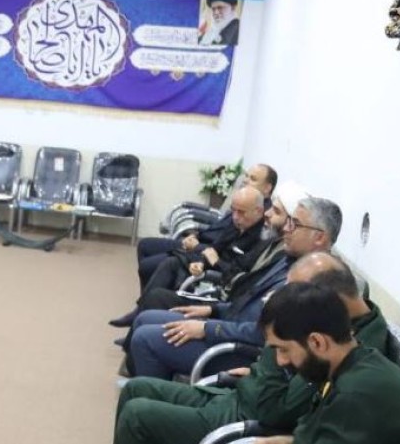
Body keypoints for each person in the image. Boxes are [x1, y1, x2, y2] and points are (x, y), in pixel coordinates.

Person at [101, 252, 391, 444]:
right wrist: (293, 441)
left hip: (252, 421)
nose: (287, 301)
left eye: (294, 294)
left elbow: (275, 409)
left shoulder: (348, 366)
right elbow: (313, 422)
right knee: (138, 397)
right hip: (256, 413)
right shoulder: (343, 348)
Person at [139, 282, 400, 444]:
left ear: (317, 342)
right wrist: (294, 442)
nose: (280, 362)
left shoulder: (358, 396)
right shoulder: (359, 363)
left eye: (283, 350)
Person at [124, 192, 343, 380]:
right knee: (145, 318)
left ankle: (153, 398)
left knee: (145, 339)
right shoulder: (288, 259)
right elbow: (250, 298)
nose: (286, 228)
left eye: (295, 224)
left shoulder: (316, 278)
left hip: (242, 351)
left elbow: (266, 334)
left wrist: (207, 328)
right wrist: (212, 310)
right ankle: (153, 387)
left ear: (319, 237)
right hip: (230, 325)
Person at [110, 186, 266, 328]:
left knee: (155, 291)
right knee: (170, 263)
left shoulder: (261, 240)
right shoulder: (236, 224)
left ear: (258, 211)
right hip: (207, 264)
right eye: (233, 210)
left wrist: (215, 262)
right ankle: (140, 311)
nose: (236, 217)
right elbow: (214, 248)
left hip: (221, 284)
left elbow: (238, 277)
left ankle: (141, 313)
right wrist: (202, 263)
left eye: (241, 212)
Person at [124, 163, 276, 300]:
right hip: (204, 247)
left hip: (205, 252)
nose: (246, 180)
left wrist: (199, 248)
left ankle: (147, 302)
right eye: (247, 176)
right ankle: (147, 300)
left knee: (152, 265)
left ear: (267, 188)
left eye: (253, 179)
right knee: (145, 246)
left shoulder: (257, 218)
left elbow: (231, 260)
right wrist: (194, 235)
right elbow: (219, 235)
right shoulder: (241, 205)